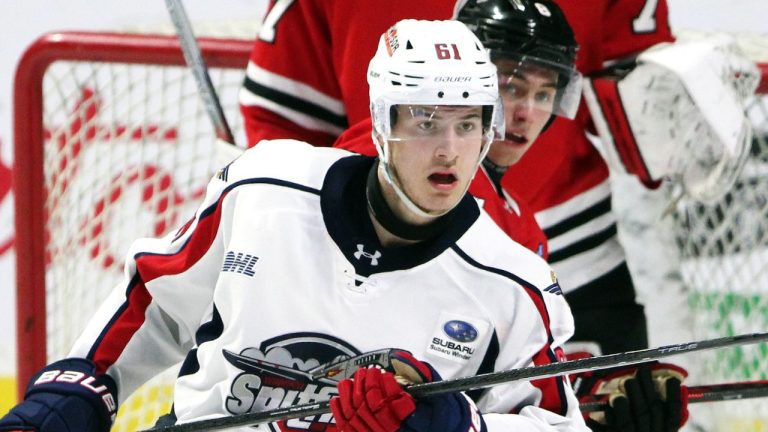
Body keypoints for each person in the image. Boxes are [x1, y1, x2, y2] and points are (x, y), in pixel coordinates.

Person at [0, 19, 589, 432]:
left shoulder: (514, 282)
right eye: (427, 122)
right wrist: (82, 385)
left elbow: (558, 424)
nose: (450, 151)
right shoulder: (264, 189)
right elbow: (157, 300)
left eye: (468, 125)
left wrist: (458, 422)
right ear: (380, 123)